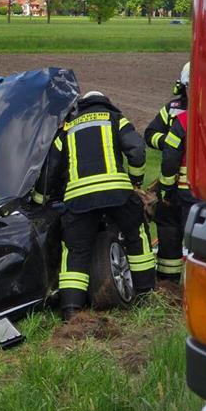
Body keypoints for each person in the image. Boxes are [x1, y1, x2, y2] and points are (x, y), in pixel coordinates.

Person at [34, 91, 155, 320]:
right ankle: (146, 293)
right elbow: (137, 151)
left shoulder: (67, 128)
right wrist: (136, 181)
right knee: (136, 235)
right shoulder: (116, 119)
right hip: (117, 195)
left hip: (80, 200)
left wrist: (39, 201)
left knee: (75, 252)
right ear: (105, 102)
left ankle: (71, 311)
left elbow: (50, 169)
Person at [144, 61, 190, 281]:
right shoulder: (173, 109)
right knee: (170, 230)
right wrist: (170, 142)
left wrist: (175, 145)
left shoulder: (184, 117)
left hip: (180, 184)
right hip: (180, 183)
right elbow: (150, 133)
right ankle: (168, 284)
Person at [155, 109, 195, 282]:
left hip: (186, 190)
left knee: (175, 231)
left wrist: (166, 188)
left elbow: (171, 155)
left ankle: (170, 284)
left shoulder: (184, 119)